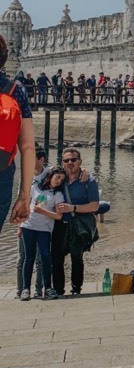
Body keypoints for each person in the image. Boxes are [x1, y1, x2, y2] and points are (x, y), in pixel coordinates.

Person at [0, 35, 36, 235]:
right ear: (5, 58)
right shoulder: (16, 91)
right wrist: (24, 196)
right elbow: (28, 148)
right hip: (1, 176)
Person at [52, 148, 100, 295]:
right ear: (62, 162)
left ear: (80, 161)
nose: (70, 163)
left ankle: (76, 289)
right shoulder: (58, 178)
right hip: (60, 224)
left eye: (73, 159)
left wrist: (72, 208)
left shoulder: (89, 181)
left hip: (78, 225)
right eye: (66, 160)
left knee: (76, 258)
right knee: (57, 258)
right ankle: (58, 290)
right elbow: (40, 173)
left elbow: (94, 206)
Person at [15, 166, 66, 301]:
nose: (59, 181)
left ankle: (48, 288)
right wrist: (20, 225)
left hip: (44, 229)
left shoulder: (58, 194)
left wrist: (42, 212)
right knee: (28, 257)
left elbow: (58, 216)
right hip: (29, 226)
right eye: (57, 177)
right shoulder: (35, 187)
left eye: (62, 179)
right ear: (50, 176)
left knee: (45, 256)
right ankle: (26, 289)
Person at [16, 147, 48, 298]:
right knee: (22, 257)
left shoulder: (50, 174)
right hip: (25, 223)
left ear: (41, 159)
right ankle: (20, 289)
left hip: (42, 224)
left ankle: (38, 289)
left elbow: (66, 172)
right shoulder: (25, 176)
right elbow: (20, 201)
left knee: (40, 259)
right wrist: (19, 225)